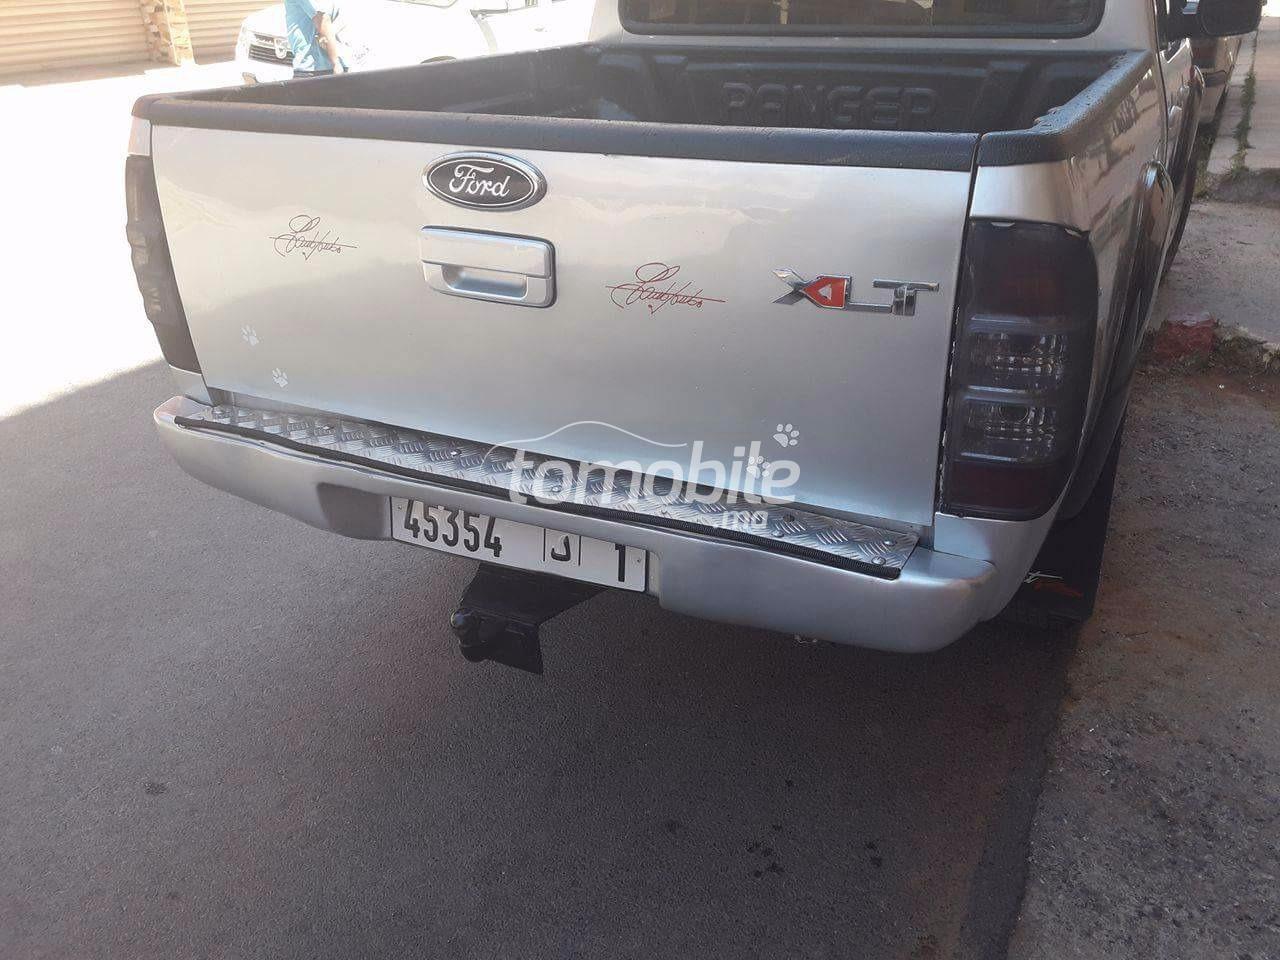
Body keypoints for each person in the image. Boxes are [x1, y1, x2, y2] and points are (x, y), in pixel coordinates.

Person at [284, 0, 345, 78]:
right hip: (315, 68)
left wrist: (336, 63)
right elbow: (322, 19)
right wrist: (336, 62)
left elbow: (323, 20)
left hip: (318, 68)